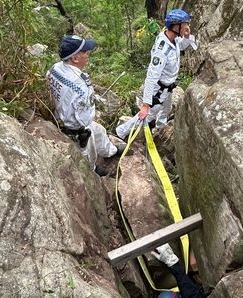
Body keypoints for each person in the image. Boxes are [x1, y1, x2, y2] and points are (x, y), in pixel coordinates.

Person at [46, 34, 125, 176]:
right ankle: (93, 169)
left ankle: (110, 150)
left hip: (58, 116)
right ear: (75, 58)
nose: (88, 54)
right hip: (76, 129)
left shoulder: (55, 68)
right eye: (85, 52)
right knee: (88, 152)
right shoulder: (82, 85)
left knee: (99, 130)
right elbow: (85, 119)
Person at [116, 9, 197, 140]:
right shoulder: (162, 50)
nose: (187, 27)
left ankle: (160, 129)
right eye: (185, 24)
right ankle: (120, 132)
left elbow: (181, 46)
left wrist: (187, 36)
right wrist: (146, 104)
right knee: (147, 115)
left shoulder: (174, 39)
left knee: (166, 109)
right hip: (159, 89)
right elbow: (151, 76)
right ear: (175, 26)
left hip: (169, 86)